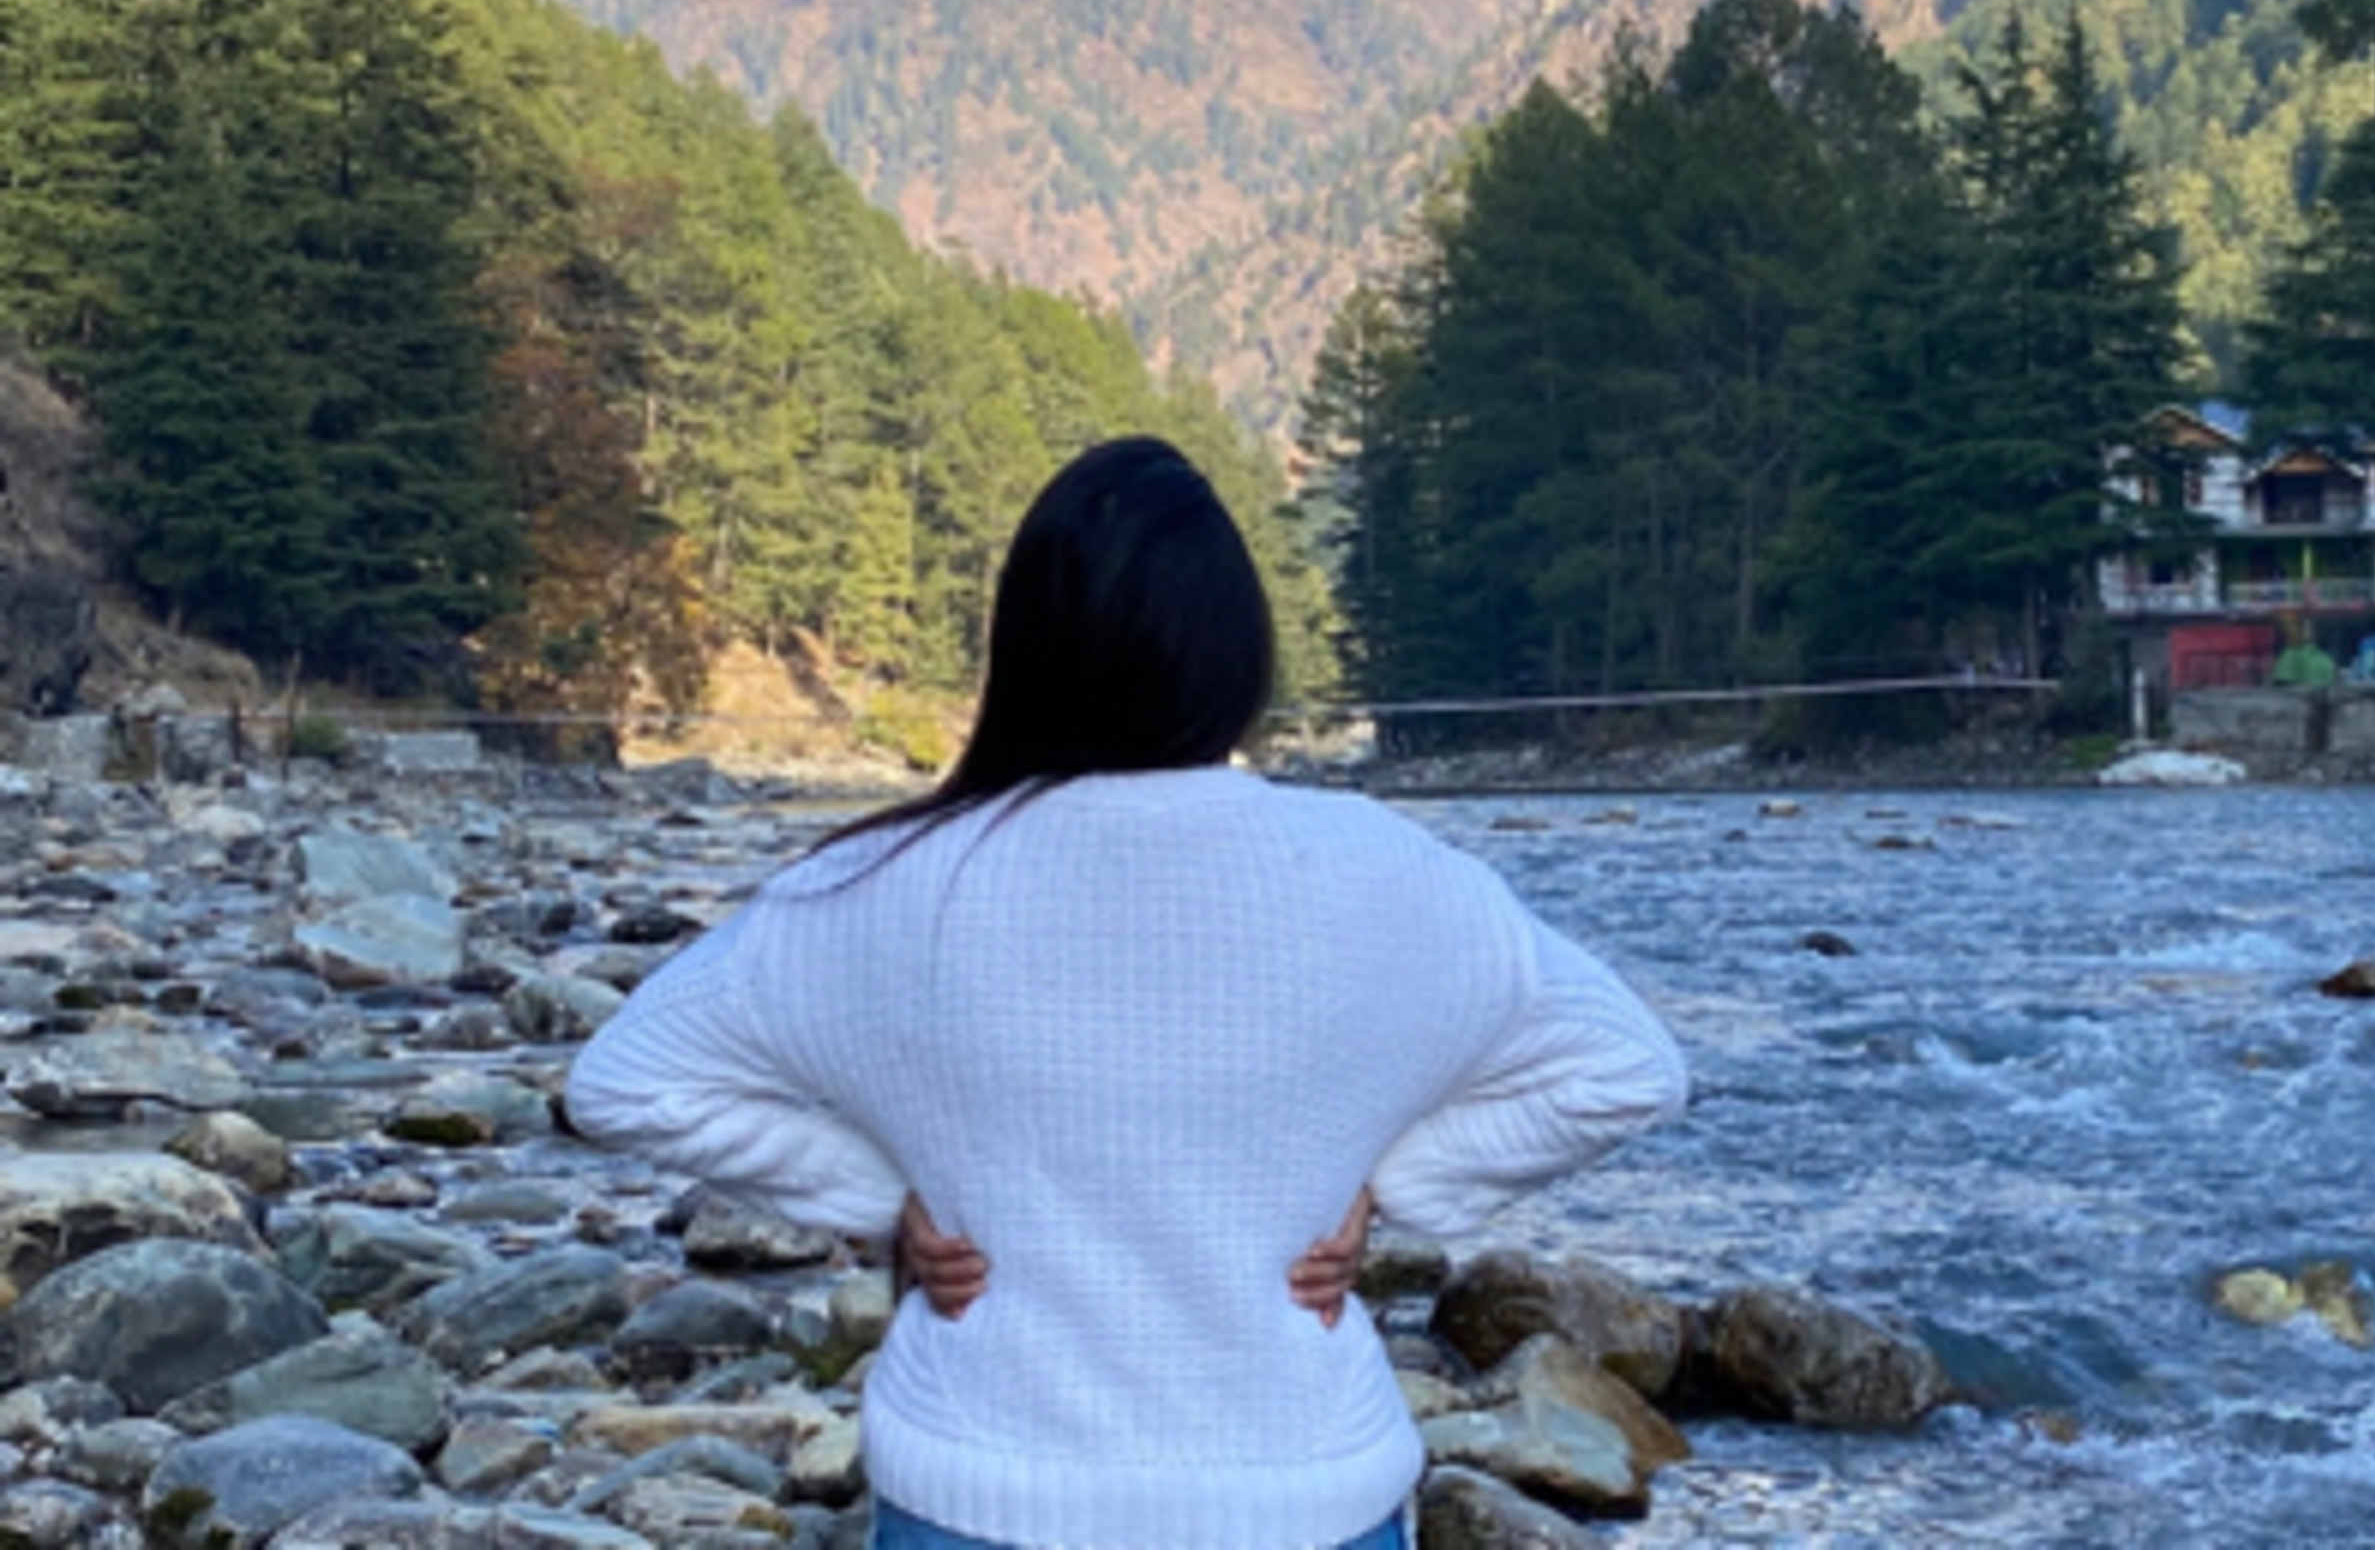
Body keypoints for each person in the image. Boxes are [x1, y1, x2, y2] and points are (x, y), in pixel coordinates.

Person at [566, 436, 1686, 1550]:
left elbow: (624, 1081)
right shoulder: (1389, 870)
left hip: (981, 1491)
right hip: (1301, 1494)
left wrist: (876, 1195)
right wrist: (1394, 1187)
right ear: (1239, 650)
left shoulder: (880, 883)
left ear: (1025, 650)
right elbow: (1627, 1068)